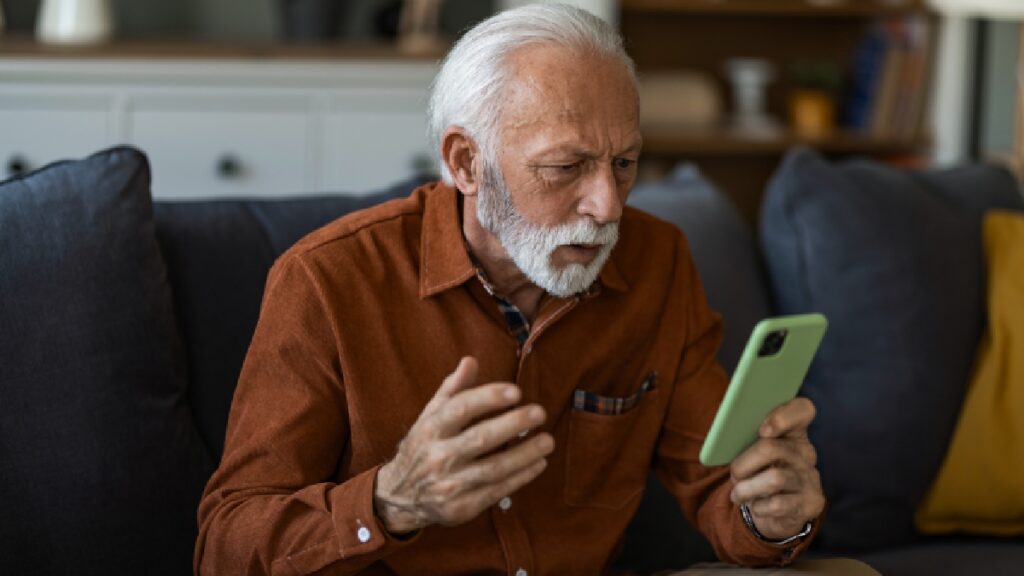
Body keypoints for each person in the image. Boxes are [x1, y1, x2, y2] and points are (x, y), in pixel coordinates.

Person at [195, 5, 860, 575]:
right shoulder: (326, 280)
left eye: (624, 164)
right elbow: (223, 548)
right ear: (466, 163)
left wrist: (772, 513)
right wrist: (392, 502)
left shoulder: (658, 262)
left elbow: (720, 481)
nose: (606, 206)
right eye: (565, 167)